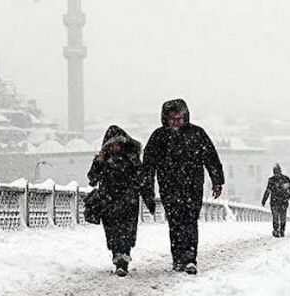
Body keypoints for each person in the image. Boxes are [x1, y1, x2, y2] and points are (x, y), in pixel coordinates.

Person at [141, 99, 224, 275]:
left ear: (185, 117)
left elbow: (211, 158)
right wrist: (147, 187)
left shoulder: (197, 134)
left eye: (179, 118)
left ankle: (190, 258)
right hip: (169, 187)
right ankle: (178, 258)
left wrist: (217, 181)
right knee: (175, 223)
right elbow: (148, 165)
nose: (176, 122)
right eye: (172, 119)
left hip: (192, 186)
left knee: (190, 222)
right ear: (166, 119)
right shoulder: (158, 137)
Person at [87, 125, 155, 277]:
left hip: (128, 202)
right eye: (112, 144)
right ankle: (118, 257)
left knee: (126, 232)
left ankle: (123, 259)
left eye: (118, 143)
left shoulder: (131, 158)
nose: (116, 147)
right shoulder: (103, 159)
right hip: (109, 202)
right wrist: (98, 162)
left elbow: (142, 180)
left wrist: (148, 199)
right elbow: (92, 179)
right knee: (112, 232)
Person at [261, 163, 290, 238]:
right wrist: (264, 199)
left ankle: (280, 230)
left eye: (277, 172)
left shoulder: (281, 179)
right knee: (278, 216)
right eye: (275, 173)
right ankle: (278, 230)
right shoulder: (280, 179)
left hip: (279, 201)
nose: (276, 174)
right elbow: (268, 190)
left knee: (279, 216)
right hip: (278, 201)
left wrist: (287, 197)